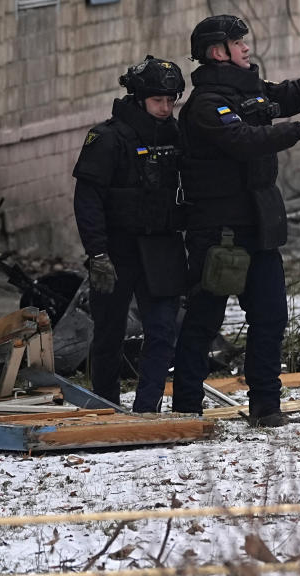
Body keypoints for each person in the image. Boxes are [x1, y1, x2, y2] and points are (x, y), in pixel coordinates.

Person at [171, 14, 300, 428]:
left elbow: (295, 93)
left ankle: (265, 407)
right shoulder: (206, 105)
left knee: (271, 318)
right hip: (219, 234)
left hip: (259, 230)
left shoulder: (249, 90)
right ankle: (186, 408)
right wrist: (299, 130)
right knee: (204, 321)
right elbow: (243, 141)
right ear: (217, 51)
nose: (247, 48)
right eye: (239, 43)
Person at [72, 56, 187, 412]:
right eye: (158, 101)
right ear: (138, 99)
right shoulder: (107, 139)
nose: (166, 108)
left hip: (162, 246)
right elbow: (87, 200)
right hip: (117, 250)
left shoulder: (177, 134)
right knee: (109, 333)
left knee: (163, 330)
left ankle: (146, 409)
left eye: (171, 101)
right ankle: (105, 406)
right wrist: (98, 254)